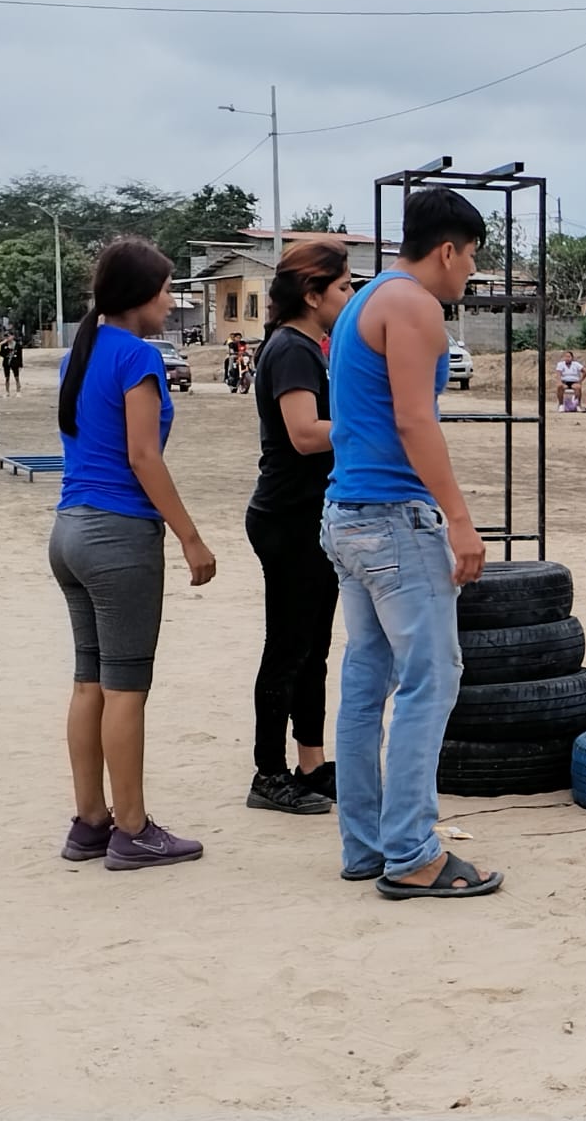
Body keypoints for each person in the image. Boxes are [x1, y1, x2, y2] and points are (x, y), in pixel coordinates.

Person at [323, 187, 501, 900]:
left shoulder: (362, 302)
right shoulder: (416, 306)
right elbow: (414, 420)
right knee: (432, 679)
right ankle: (413, 853)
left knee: (366, 682)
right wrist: (459, 518)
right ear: (448, 250)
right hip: (395, 520)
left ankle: (366, 845)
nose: (471, 273)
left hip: (347, 515)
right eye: (472, 257)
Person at [50, 237, 218, 870]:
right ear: (141, 296)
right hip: (117, 538)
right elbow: (143, 457)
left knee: (88, 681)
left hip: (69, 531)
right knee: (126, 687)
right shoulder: (138, 357)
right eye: (167, 291)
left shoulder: (80, 353)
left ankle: (90, 821)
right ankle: (133, 829)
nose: (171, 302)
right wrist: (190, 535)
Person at [244, 241, 354, 815]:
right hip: (287, 519)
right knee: (288, 649)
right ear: (312, 296)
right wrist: (370, 424)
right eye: (344, 287)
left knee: (313, 650)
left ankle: (311, 763)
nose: (351, 297)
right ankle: (269, 772)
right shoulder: (291, 349)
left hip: (310, 516)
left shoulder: (311, 347)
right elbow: (305, 434)